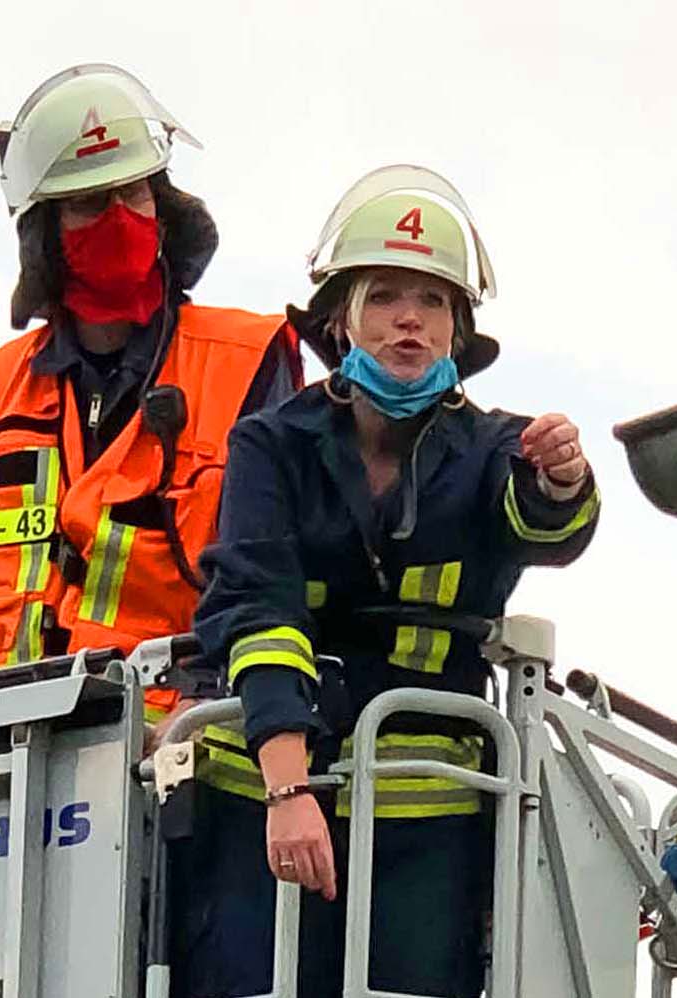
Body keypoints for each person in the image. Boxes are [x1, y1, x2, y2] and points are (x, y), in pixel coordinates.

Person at [183, 165, 600, 997]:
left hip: (425, 814)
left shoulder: (494, 449)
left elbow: (539, 526)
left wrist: (560, 483)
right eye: (384, 297)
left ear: (458, 330)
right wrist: (288, 787)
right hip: (258, 794)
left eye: (433, 300)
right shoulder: (272, 444)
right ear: (340, 320)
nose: (409, 319)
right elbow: (255, 601)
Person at [0, 64, 300, 730]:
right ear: (46, 235)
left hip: (174, 751)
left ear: (166, 209)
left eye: (136, 195)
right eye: (91, 205)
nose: (120, 221)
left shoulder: (250, 359)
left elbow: (275, 569)